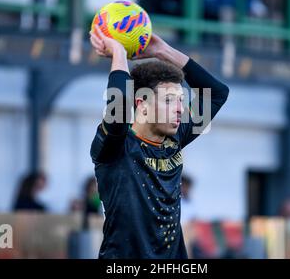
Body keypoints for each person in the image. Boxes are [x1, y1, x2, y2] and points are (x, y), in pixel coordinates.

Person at [89, 25, 229, 258]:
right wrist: (119, 54)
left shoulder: (177, 136)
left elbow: (216, 93)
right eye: (169, 100)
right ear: (141, 103)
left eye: (181, 100)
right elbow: (119, 110)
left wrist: (163, 51)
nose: (180, 109)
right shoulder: (115, 147)